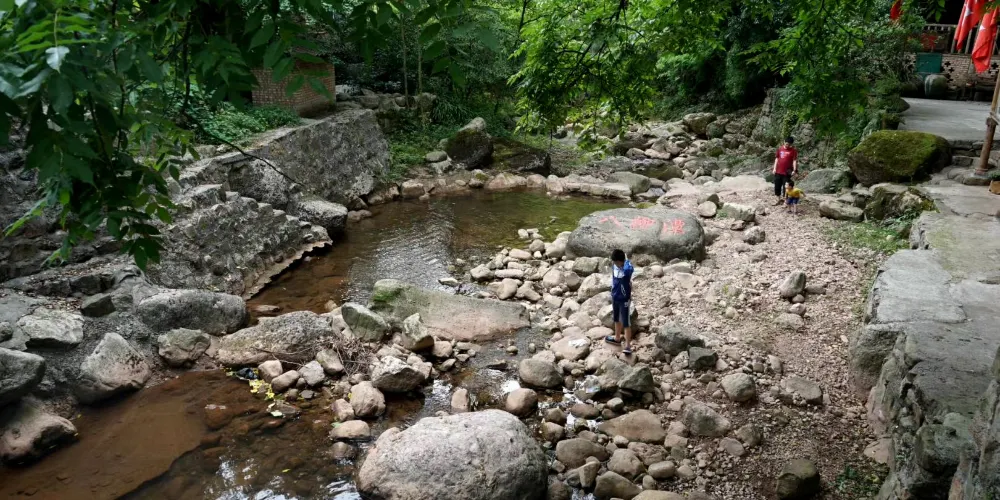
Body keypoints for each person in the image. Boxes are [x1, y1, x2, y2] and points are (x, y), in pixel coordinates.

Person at [605, 249, 634, 355]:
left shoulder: (627, 268)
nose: (614, 264)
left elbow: (628, 270)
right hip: (615, 296)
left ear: (619, 261)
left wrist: (625, 261)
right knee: (616, 318)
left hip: (624, 299)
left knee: (626, 322)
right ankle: (617, 338)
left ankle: (628, 346)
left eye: (615, 262)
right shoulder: (614, 266)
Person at [772, 136, 798, 205]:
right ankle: (778, 199)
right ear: (784, 142)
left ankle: (786, 201)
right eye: (786, 144)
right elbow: (777, 159)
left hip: (787, 172)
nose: (787, 145)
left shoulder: (793, 151)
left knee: (786, 187)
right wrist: (774, 168)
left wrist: (794, 170)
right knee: (777, 186)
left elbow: (794, 161)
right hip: (778, 171)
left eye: (789, 144)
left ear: (791, 144)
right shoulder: (780, 149)